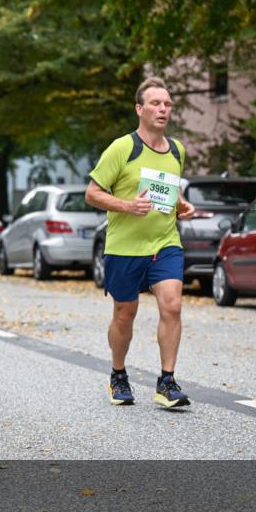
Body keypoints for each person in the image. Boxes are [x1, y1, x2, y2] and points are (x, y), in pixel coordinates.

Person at [84, 76, 196, 409]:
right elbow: (92, 193)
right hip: (124, 247)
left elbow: (170, 193)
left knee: (172, 304)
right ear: (139, 108)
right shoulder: (123, 148)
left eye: (167, 104)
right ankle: (118, 374)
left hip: (164, 243)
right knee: (124, 314)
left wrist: (182, 204)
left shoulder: (177, 150)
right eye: (156, 103)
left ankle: (167, 381)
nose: (163, 109)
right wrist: (127, 206)